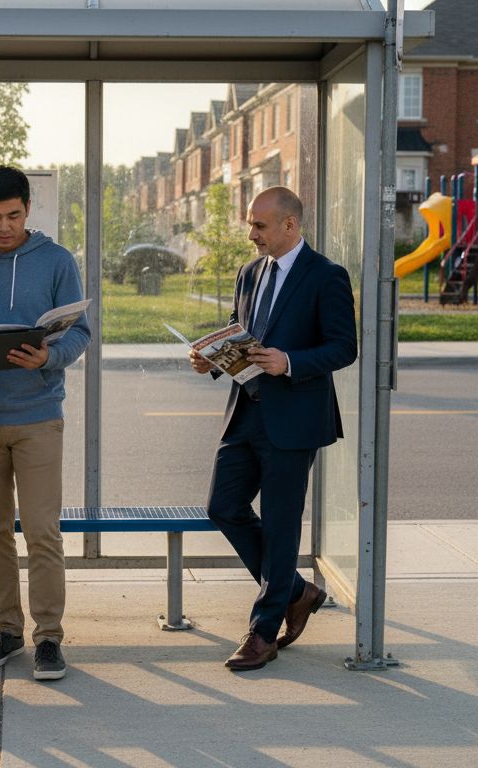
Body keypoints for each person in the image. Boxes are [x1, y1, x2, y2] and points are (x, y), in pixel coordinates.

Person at [189, 186, 357, 672]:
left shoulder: (326, 276)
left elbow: (344, 347)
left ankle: (263, 632)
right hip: (245, 410)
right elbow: (237, 326)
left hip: (295, 417)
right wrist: (212, 358)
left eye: (259, 226)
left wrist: (290, 361)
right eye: (249, 224)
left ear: (290, 225)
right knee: (223, 506)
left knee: (282, 526)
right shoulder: (249, 272)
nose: (251, 234)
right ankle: (296, 591)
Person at [0, 165, 90, 681]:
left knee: (42, 531)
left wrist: (48, 359)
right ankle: (6, 629)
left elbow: (81, 334)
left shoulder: (56, 261)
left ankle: (49, 638)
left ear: (29, 210)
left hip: (38, 417)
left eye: (13, 216)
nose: (3, 226)